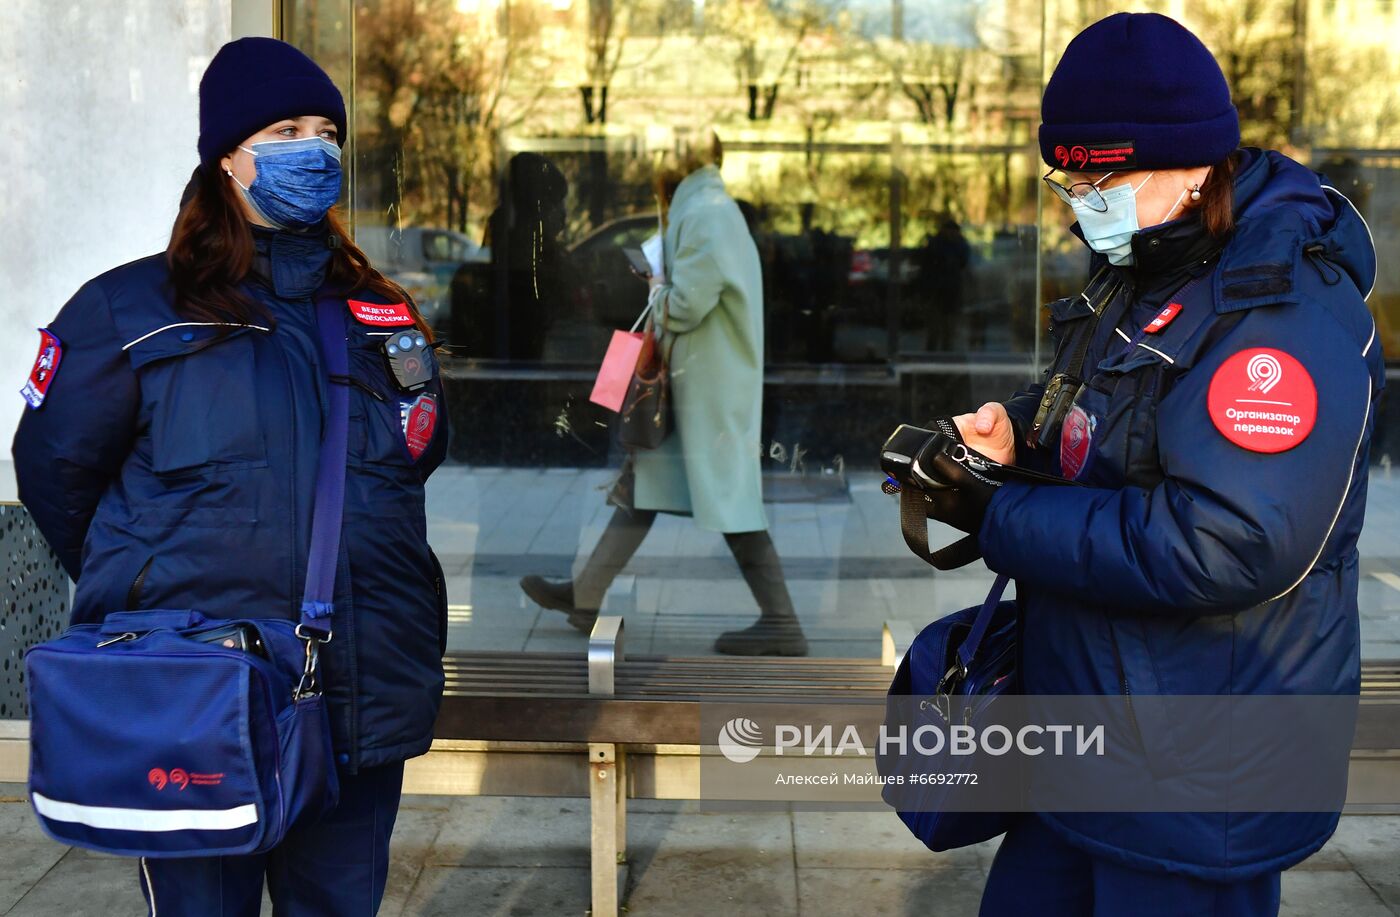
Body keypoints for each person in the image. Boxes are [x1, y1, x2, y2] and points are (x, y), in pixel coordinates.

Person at [920, 14, 1382, 916]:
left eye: (1106, 176)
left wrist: (1000, 514)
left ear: (1196, 164)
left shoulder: (1282, 311)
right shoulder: (1147, 263)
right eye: (1070, 177)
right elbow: (1114, 412)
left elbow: (1227, 540)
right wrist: (1018, 434)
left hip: (1197, 780)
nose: (1083, 198)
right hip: (1093, 734)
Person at [12, 38, 449, 916]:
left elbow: (415, 458)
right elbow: (54, 473)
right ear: (227, 158)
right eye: (286, 128)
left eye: (326, 130)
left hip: (356, 690)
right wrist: (138, 572)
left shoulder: (381, 312)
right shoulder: (127, 311)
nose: (314, 149)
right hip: (192, 692)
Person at [520, 133, 807, 656]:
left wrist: (654, 285)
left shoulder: (704, 211)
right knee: (645, 488)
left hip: (704, 390)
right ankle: (585, 597)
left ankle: (782, 621)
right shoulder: (708, 206)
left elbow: (688, 304)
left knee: (729, 501)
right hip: (697, 386)